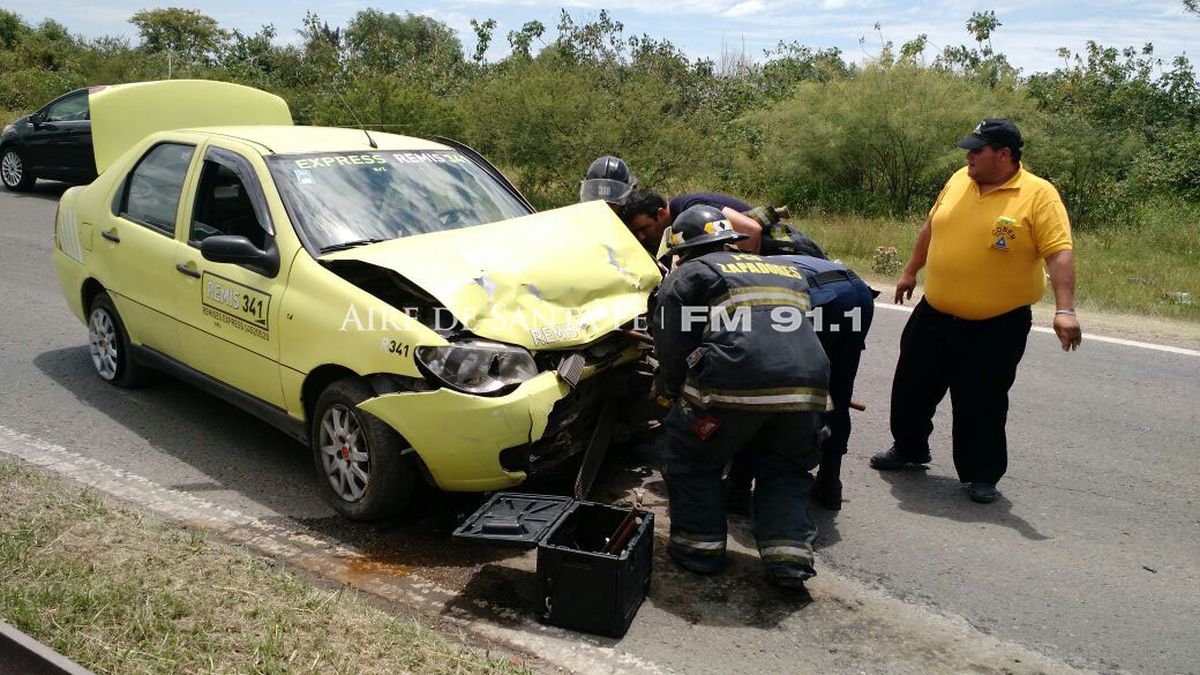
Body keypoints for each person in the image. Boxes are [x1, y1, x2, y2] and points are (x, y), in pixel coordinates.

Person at [870, 118, 1082, 504]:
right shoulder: (958, 179)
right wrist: (909, 271)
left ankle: (981, 475)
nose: (968, 155)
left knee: (981, 401)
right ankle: (910, 449)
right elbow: (932, 226)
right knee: (911, 387)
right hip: (935, 310)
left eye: (976, 150)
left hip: (997, 322)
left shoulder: (1038, 194)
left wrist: (1065, 309)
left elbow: (1059, 252)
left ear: (1004, 155)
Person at [651, 204, 831, 593]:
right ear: (727, 239)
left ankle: (699, 550)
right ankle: (789, 561)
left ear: (683, 250)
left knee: (692, 458)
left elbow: (671, 343)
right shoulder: (785, 269)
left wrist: (671, 390)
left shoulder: (692, 273)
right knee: (785, 469)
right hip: (809, 390)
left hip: (732, 388)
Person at [726, 255, 875, 511]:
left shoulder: (710, 273)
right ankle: (830, 485)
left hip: (821, 301)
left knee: (762, 392)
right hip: (856, 292)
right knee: (837, 394)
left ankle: (737, 488)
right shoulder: (763, 255)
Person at [621, 189, 763, 255]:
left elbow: (752, 230)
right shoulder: (677, 219)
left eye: (644, 228)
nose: (641, 237)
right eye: (635, 232)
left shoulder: (692, 208)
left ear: (661, 213)